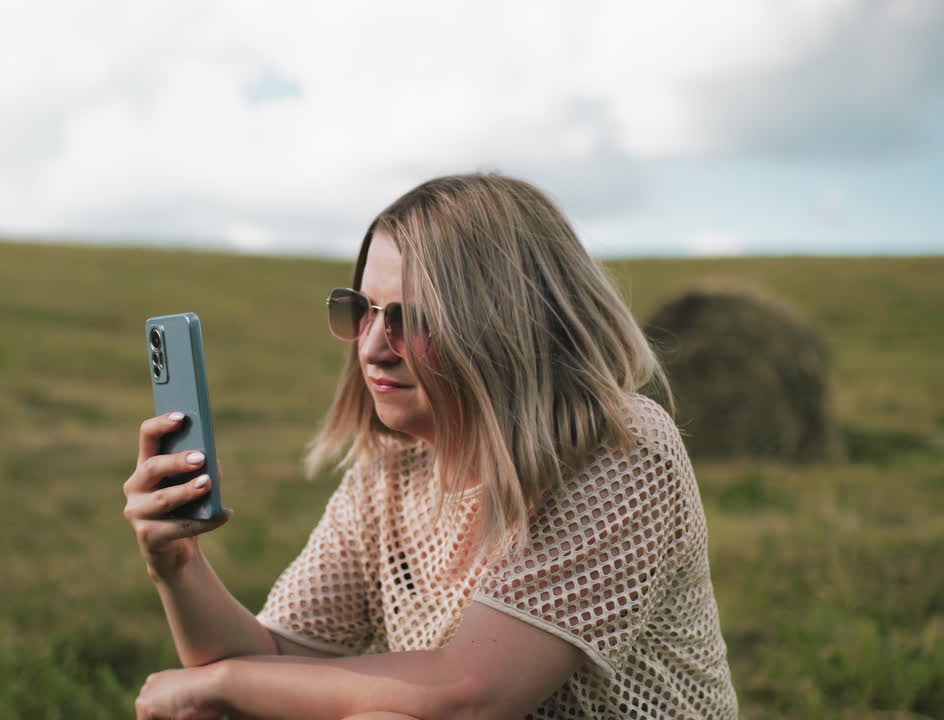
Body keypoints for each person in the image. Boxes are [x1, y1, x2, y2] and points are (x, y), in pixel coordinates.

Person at [123, 173, 737, 719]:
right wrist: (176, 566)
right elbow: (275, 661)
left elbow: (470, 695)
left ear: (504, 325)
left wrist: (227, 683)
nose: (370, 347)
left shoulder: (622, 449)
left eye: (410, 318)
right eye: (360, 310)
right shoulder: (390, 474)